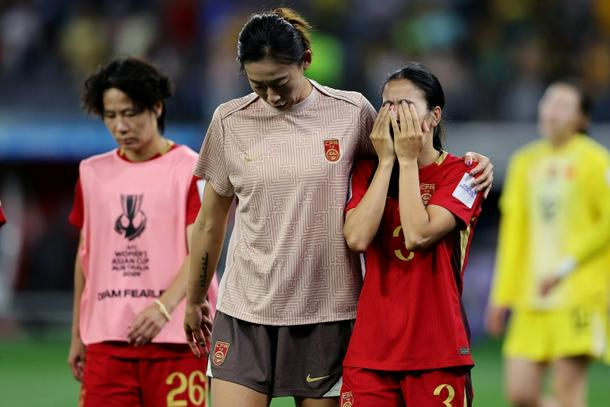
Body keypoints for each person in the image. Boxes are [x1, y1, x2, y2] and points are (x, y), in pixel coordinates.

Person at [183, 8, 493, 407]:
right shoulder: (229, 120)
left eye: (279, 82)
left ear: (306, 61)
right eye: (258, 85)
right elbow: (209, 223)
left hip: (327, 310)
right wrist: (196, 297)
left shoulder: (351, 112)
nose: (271, 96)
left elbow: (407, 154)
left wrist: (471, 165)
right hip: (246, 307)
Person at [67, 56, 218, 407]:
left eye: (130, 112)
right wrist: (77, 333)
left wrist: (163, 308)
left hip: (179, 340)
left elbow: (202, 251)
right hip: (107, 342)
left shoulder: (191, 169)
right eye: (110, 115)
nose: (120, 125)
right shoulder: (91, 173)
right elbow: (85, 257)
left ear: (156, 107)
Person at [338, 63, 483, 407]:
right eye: (387, 105)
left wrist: (405, 162)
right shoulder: (367, 171)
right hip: (370, 352)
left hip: (437, 350)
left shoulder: (465, 174)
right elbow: (356, 239)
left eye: (405, 106)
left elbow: (418, 235)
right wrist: (387, 163)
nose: (395, 115)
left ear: (434, 116)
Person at [485, 80, 610, 407]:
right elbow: (514, 234)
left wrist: (565, 267)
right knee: (520, 394)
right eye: (549, 102)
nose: (552, 111)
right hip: (531, 297)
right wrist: (500, 296)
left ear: (582, 119)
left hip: (578, 295)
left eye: (563, 105)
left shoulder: (596, 161)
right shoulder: (524, 162)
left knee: (569, 393)